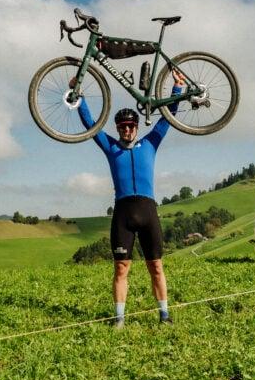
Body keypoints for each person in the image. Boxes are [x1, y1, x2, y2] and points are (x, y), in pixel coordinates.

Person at [72, 70, 185, 328]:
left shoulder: (150, 144)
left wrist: (177, 89)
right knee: (121, 268)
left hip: (148, 211)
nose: (127, 129)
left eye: (131, 125)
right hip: (123, 213)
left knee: (156, 266)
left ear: (136, 127)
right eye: (122, 126)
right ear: (117, 128)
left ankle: (164, 315)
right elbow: (91, 124)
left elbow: (168, 118)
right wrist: (79, 96)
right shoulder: (111, 147)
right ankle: (119, 319)